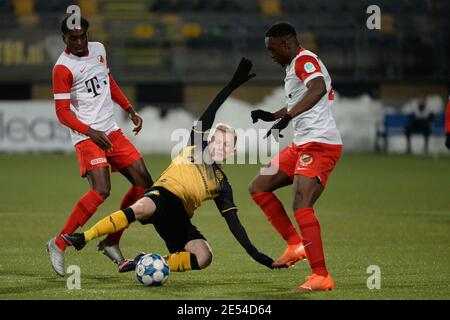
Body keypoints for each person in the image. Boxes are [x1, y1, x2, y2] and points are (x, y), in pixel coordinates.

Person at [62, 58, 275, 273]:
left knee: (204, 257)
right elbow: (210, 113)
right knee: (141, 207)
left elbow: (234, 224)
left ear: (233, 152)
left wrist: (254, 253)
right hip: (162, 195)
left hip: (179, 217)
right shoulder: (196, 146)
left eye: (227, 144)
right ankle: (84, 237)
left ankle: (146, 262)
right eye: (217, 141)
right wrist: (230, 86)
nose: (220, 146)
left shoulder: (222, 185)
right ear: (209, 141)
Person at [46, 15, 153, 277]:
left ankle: (111, 240)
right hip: (87, 136)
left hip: (112, 131)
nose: (80, 42)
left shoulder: (99, 50)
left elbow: (108, 82)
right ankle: (58, 243)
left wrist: (128, 108)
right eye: (74, 38)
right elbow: (62, 113)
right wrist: (89, 132)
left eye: (83, 36)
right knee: (102, 189)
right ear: (64, 39)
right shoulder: (62, 69)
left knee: (144, 183)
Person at [248, 22, 342, 291]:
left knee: (301, 202)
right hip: (301, 144)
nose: (270, 55)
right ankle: (295, 244)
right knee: (259, 186)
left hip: (320, 145)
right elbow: (301, 98)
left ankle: (321, 276)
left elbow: (317, 89)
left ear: (286, 44)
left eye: (272, 49)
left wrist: (288, 117)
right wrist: (275, 115)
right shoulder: (293, 66)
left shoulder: (305, 60)